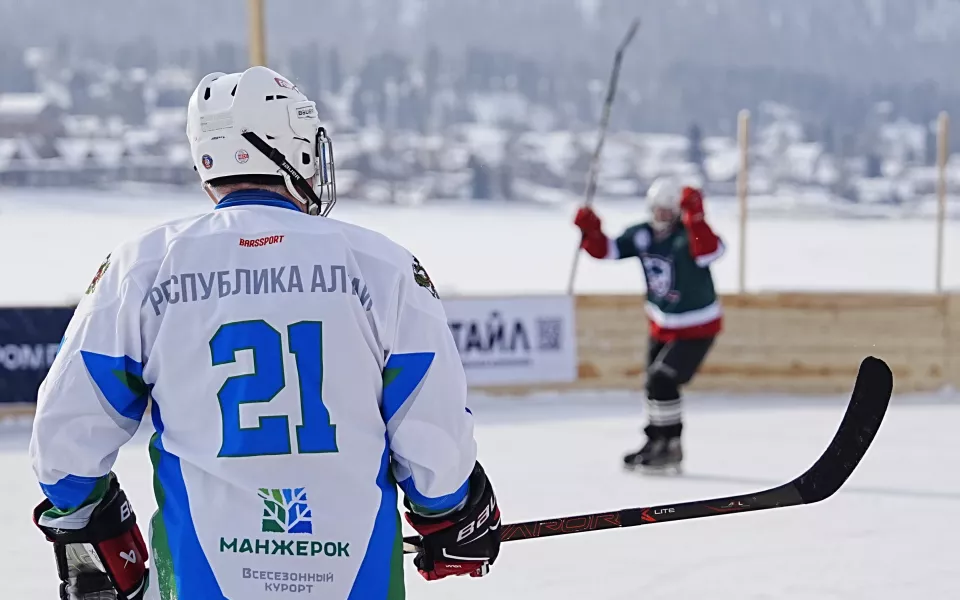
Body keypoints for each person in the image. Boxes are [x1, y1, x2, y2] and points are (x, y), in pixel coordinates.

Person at [29, 66, 500, 600]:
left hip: (199, 581)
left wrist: (97, 525)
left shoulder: (142, 268)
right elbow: (433, 436)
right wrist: (453, 513)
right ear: (294, 146)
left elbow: (65, 442)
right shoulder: (383, 267)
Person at [573, 178, 724, 472]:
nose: (662, 218)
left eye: (668, 212)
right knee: (653, 385)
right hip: (662, 324)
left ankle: (672, 445)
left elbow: (709, 250)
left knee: (663, 379)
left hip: (697, 326)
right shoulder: (642, 235)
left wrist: (697, 216)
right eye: (658, 211)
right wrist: (590, 230)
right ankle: (657, 440)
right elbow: (607, 250)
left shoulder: (687, 236)